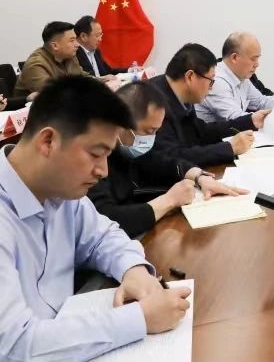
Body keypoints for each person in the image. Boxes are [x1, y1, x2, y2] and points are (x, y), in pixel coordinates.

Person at [0, 75, 191, 360]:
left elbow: (104, 237)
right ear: (48, 141)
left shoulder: (62, 192)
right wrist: (138, 319)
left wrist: (134, 271)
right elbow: (13, 344)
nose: (103, 171)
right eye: (95, 154)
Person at [88, 81, 248, 237]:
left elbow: (161, 160)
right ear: (121, 124)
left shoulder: (129, 145)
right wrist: (169, 201)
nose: (151, 138)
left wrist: (199, 176)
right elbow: (105, 220)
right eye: (149, 131)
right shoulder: (93, 159)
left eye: (156, 131)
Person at [149, 43, 269, 166]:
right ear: (190, 77)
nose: (211, 88)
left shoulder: (181, 95)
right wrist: (229, 148)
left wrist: (250, 121)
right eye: (211, 81)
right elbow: (172, 157)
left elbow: (201, 132)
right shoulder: (152, 102)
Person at [196, 32, 274, 123]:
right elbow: (235, 118)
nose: (257, 64)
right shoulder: (217, 81)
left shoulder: (241, 76)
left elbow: (261, 101)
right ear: (234, 58)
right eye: (253, 59)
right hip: (213, 141)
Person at [14, 21, 89, 97]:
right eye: (72, 40)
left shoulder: (69, 56)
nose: (77, 45)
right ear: (55, 46)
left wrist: (95, 81)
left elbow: (83, 76)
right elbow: (54, 92)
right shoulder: (35, 64)